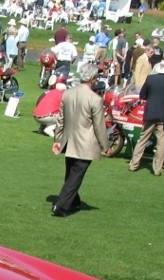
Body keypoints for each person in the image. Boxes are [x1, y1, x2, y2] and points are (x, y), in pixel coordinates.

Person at [50, 63, 108, 217]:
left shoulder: (67, 93)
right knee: (75, 176)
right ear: (93, 79)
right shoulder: (95, 99)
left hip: (68, 140)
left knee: (71, 173)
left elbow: (60, 119)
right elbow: (99, 125)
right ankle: (61, 206)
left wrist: (57, 138)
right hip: (85, 143)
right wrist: (105, 145)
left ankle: (74, 201)